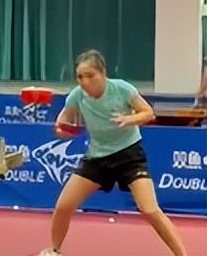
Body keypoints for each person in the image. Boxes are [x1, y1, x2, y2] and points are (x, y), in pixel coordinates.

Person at [39, 49, 188, 256]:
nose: (84, 81)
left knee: (149, 209)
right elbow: (63, 122)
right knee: (63, 206)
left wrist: (130, 119)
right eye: (80, 77)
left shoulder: (122, 89)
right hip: (97, 158)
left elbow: (148, 113)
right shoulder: (77, 96)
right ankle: (54, 250)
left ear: (103, 73)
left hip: (129, 156)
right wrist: (63, 130)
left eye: (90, 75)